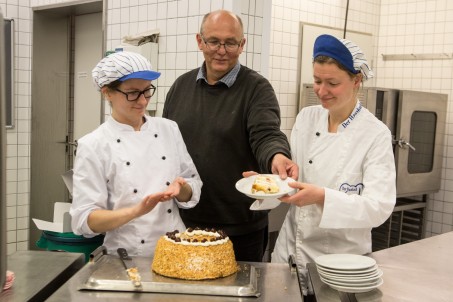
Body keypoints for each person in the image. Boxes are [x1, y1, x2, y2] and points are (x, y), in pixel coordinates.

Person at [163, 10, 298, 262]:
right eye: (213, 41)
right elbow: (167, 147)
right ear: (199, 41)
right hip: (185, 223)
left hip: (240, 229)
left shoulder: (257, 88)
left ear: (242, 44)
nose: (221, 50)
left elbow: (266, 134)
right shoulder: (180, 87)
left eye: (230, 42)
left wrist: (277, 155)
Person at [271, 34, 396, 295]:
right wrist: (272, 181)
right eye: (317, 81)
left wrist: (322, 197)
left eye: (332, 83)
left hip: (342, 264)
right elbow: (293, 181)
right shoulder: (307, 118)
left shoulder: (375, 134)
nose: (321, 91)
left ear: (356, 80)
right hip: (290, 253)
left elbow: (379, 207)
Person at [70, 51, 202, 257]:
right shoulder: (93, 145)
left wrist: (182, 188)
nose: (142, 101)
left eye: (147, 91)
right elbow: (85, 220)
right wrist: (136, 211)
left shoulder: (169, 129)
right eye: (132, 93)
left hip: (177, 249)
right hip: (127, 256)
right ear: (107, 93)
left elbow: (193, 185)